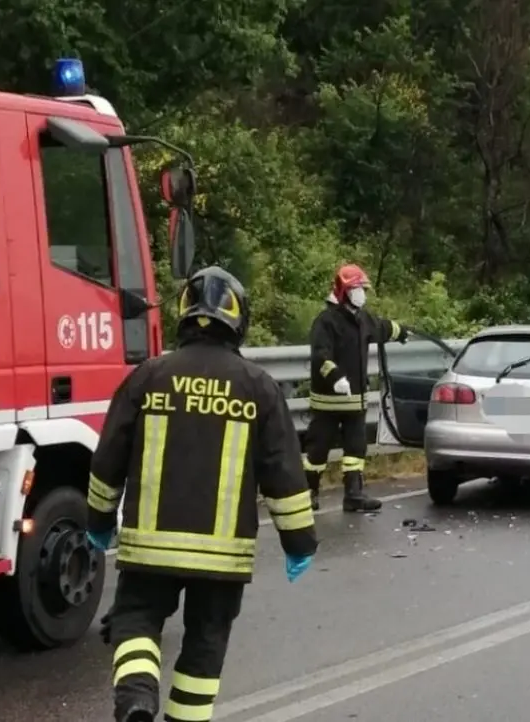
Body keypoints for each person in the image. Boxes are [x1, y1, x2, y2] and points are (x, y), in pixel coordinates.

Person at [84, 266, 318, 722]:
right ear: (239, 319)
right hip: (222, 556)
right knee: (206, 641)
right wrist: (299, 543)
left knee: (135, 620)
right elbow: (284, 475)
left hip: (149, 548)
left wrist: (97, 522)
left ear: (183, 315)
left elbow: (107, 460)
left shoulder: (147, 376)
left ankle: (136, 697)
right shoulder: (258, 387)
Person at [303, 263, 408, 513]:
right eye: (358, 288)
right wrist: (336, 376)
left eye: (363, 288)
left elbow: (382, 328)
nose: (362, 293)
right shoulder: (326, 321)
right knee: (318, 449)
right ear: (344, 291)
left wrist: (402, 331)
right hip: (328, 402)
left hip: (355, 402)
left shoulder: (362, 319)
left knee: (355, 450)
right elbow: (320, 355)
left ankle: (354, 495)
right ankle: (309, 493)